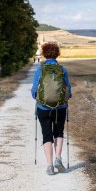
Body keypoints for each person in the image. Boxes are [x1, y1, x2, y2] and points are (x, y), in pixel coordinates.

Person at [31, 41, 72, 175]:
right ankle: (58, 159)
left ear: (44, 54)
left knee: (46, 134)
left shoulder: (40, 69)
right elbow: (69, 91)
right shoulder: (62, 70)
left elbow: (33, 91)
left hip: (43, 108)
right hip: (60, 107)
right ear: (57, 54)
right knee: (59, 132)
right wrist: (65, 99)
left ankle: (49, 165)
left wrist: (39, 99)